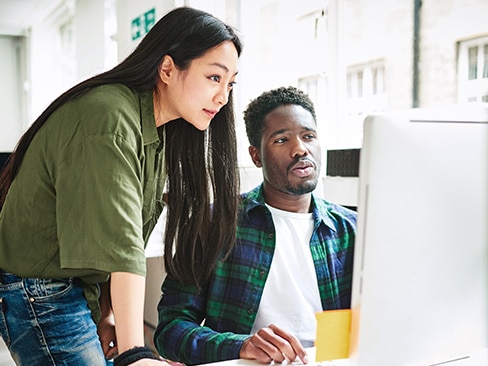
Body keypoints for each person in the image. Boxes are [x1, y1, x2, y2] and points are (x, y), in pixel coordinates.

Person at [0, 6, 242, 366]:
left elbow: (117, 237)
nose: (223, 97)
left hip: (75, 289)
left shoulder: (156, 132)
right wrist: (135, 353)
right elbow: (123, 243)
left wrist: (108, 313)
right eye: (214, 78)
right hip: (39, 289)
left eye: (230, 83)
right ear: (167, 69)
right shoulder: (109, 117)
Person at [154, 86, 357, 365]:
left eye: (308, 136)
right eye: (282, 140)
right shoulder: (214, 224)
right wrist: (240, 346)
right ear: (256, 155)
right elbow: (170, 330)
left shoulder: (353, 231)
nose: (300, 149)